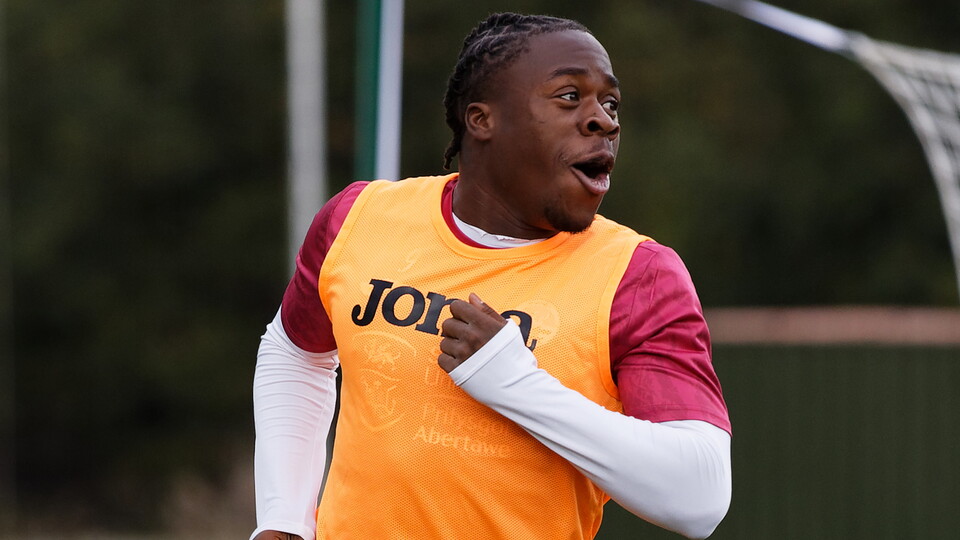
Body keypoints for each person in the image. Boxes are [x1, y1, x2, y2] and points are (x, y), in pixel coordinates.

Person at [251, 12, 732, 540]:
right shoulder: (357, 217)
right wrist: (284, 519)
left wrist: (516, 385)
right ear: (481, 120)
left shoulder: (640, 276)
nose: (604, 121)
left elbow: (699, 495)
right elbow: (293, 350)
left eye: (610, 104)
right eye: (570, 96)